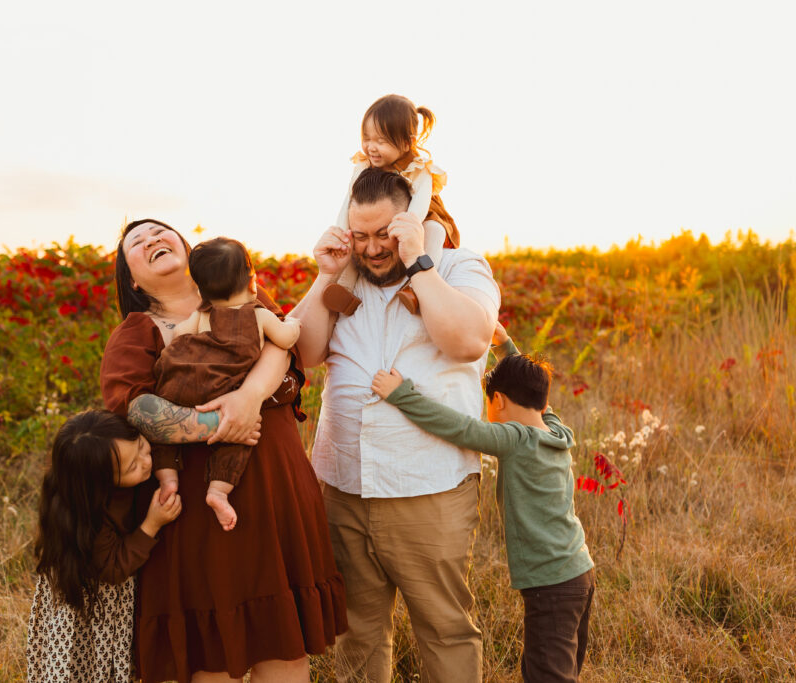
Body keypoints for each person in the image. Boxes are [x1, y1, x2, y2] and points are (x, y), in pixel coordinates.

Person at [99, 219, 346, 683]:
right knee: (213, 657)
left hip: (275, 489)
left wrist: (248, 399)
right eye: (137, 241)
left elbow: (286, 349)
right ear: (132, 279)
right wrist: (219, 423)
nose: (152, 239)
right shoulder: (137, 332)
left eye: (160, 232)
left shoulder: (245, 298)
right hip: (196, 512)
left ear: (191, 253)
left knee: (284, 648)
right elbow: (136, 408)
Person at [291, 167, 500, 682]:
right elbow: (307, 353)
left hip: (427, 485)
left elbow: (468, 342)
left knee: (444, 628)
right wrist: (325, 275)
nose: (373, 249)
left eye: (384, 234)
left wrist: (419, 263)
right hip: (345, 486)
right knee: (356, 632)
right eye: (360, 236)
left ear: (411, 221)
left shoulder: (459, 267)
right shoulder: (344, 277)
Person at [371, 323, 595, 683]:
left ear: (499, 402)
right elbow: (535, 389)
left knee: (546, 675)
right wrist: (504, 345)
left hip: (551, 584)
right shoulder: (555, 430)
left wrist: (402, 395)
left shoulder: (516, 439)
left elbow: (459, 428)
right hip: (579, 572)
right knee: (562, 671)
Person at [151, 236, 302, 531]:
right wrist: (294, 325)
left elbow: (179, 335)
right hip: (223, 390)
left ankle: (167, 475)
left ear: (200, 289)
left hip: (182, 377)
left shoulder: (202, 314)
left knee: (165, 425)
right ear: (252, 282)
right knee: (239, 432)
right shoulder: (259, 314)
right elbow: (285, 340)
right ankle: (218, 491)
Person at [26, 409, 182, 683]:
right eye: (133, 467)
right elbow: (112, 568)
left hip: (104, 597)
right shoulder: (92, 515)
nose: (146, 462)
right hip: (90, 604)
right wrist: (152, 524)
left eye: (143, 448)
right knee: (84, 669)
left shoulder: (110, 466)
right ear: (101, 482)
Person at [326, 94, 459, 316]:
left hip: (421, 217)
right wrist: (341, 231)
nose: (371, 148)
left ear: (408, 142)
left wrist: (410, 229)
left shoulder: (420, 167)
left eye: (381, 141)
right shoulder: (363, 164)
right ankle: (344, 289)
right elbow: (350, 199)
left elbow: (421, 203)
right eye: (367, 138)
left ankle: (417, 287)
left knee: (434, 232)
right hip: (376, 222)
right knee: (355, 240)